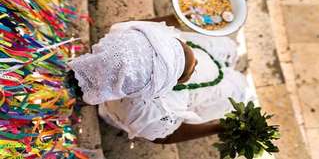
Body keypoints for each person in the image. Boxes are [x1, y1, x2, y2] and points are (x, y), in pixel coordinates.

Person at [67, 21, 252, 144]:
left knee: (226, 47)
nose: (195, 65)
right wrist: (218, 127)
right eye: (187, 72)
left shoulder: (129, 40)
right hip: (150, 101)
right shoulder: (150, 112)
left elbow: (154, 35)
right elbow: (166, 137)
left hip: (159, 64)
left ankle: (222, 62)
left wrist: (177, 20)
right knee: (238, 89)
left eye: (178, 45)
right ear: (159, 86)